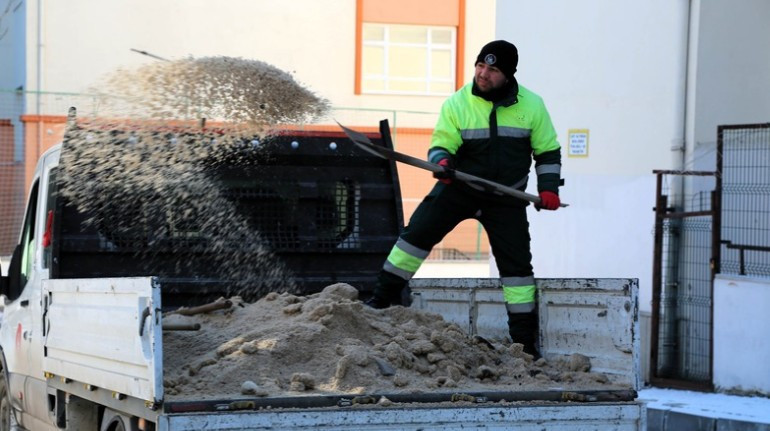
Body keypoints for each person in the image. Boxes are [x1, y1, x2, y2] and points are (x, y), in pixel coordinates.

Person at [365, 40, 563, 358]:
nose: (483, 74)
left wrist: (550, 188)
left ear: (509, 74)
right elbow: (442, 142)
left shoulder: (532, 106)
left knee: (517, 271)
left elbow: (547, 151)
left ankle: (524, 343)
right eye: (480, 65)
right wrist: (442, 162)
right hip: (459, 188)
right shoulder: (457, 103)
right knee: (414, 237)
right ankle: (379, 302)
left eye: (493, 69)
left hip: (506, 197)